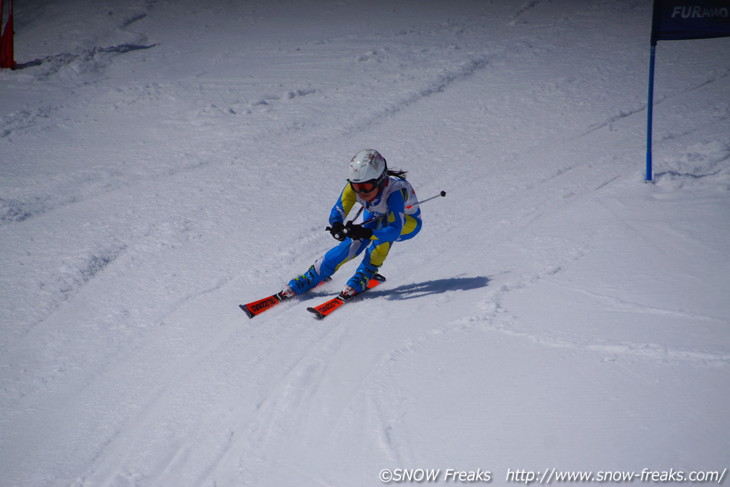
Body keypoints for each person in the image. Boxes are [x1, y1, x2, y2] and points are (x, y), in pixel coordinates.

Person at [281, 149, 422, 299]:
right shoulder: (355, 187)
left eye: (366, 187)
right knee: (350, 243)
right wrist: (336, 225)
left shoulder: (395, 193)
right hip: (376, 215)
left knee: (381, 233)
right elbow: (338, 210)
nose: (361, 192)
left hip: (407, 224)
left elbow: (394, 230)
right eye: (356, 186)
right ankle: (311, 276)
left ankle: (366, 272)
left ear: (380, 180)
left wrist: (368, 233)